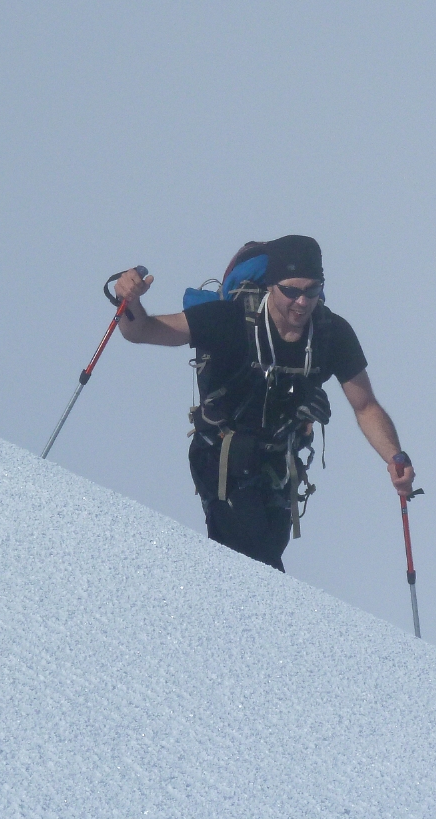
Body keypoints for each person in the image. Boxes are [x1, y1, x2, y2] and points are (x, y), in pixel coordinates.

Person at [113, 235, 415, 571]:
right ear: (271, 286)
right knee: (255, 562)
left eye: (313, 291)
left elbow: (366, 406)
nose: (302, 302)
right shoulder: (229, 320)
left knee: (265, 557)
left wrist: (395, 457)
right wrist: (129, 303)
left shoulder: (332, 334)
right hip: (222, 457)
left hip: (277, 469)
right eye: (292, 291)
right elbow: (143, 331)